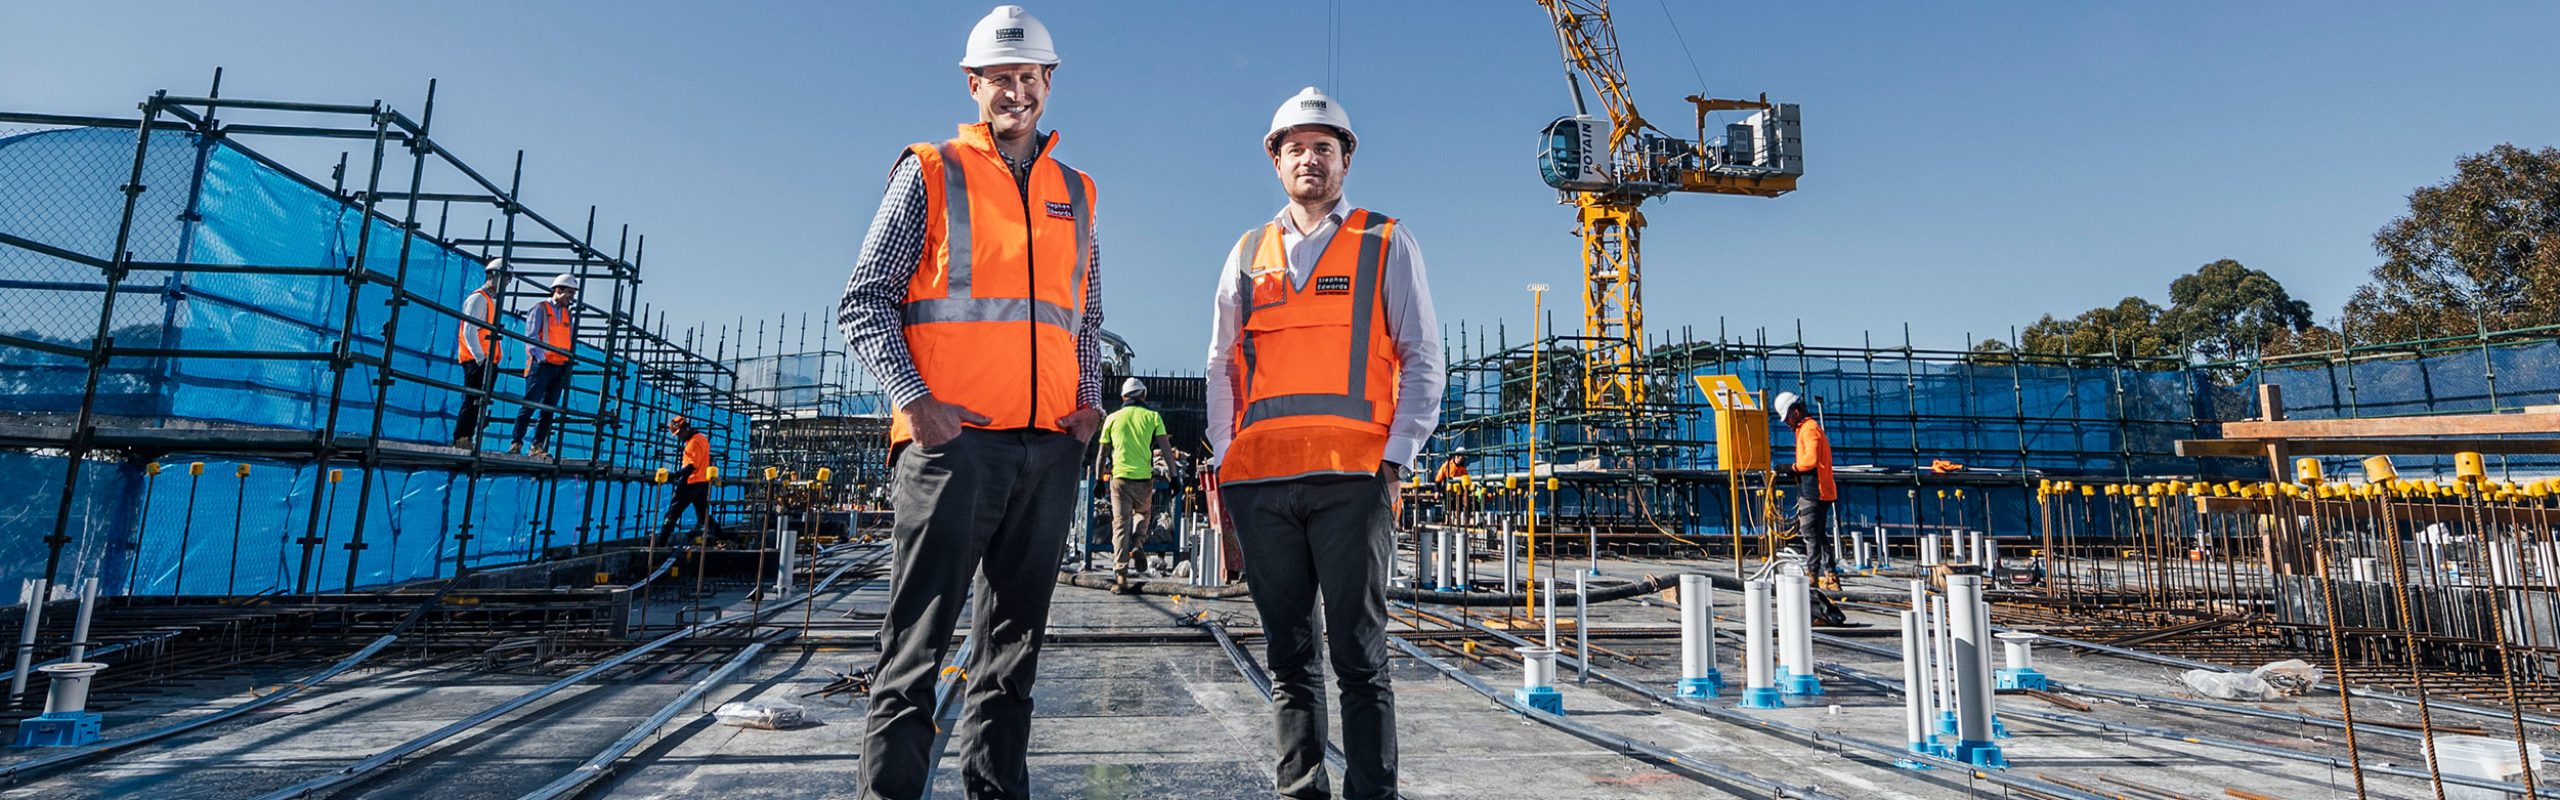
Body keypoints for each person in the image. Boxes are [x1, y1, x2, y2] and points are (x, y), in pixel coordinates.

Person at [832, 7, 1104, 799]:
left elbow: (1086, 318)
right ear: (973, 83)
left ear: (1048, 83)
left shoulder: (1078, 193)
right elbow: (864, 299)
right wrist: (917, 402)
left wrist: (1086, 408)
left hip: (1046, 452)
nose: (1016, 91)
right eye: (1001, 77)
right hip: (952, 450)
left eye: (1030, 77)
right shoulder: (931, 170)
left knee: (1013, 655)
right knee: (915, 650)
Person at [1205, 86, 1444, 800]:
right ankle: (1299, 789)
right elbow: (1221, 363)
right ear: (1276, 161)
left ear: (1346, 160)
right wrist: (1227, 456)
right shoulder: (1248, 253)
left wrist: (1396, 458)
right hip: (1263, 485)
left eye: (1324, 147)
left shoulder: (1385, 240)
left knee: (1361, 659)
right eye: (1296, 147)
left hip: (1352, 480)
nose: (1310, 158)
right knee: (1290, 659)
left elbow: (1422, 355)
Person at [1094, 376, 1177, 590]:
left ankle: (1120, 576)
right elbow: (1166, 448)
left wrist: (1097, 479)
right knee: (1143, 513)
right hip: (1143, 479)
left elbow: (1102, 452)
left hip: (1119, 479)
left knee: (1120, 525)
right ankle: (1138, 544)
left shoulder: (1112, 418)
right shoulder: (1153, 417)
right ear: (1143, 395)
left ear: (1123, 396)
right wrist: (1175, 476)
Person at [1775, 390, 1839, 590]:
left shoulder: (1809, 429)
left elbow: (1810, 460)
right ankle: (1831, 575)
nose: (1787, 423)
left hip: (1815, 491)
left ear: (1795, 412)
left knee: (1810, 532)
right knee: (1818, 534)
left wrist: (1792, 468)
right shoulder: (1806, 428)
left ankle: (1813, 575)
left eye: (1787, 417)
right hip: (1816, 489)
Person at [509, 273, 578, 457]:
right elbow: (531, 337)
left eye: (573, 293)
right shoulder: (540, 308)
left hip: (559, 366)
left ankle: (537, 446)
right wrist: (542, 357)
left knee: (549, 409)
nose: (571, 297)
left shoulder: (567, 314)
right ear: (558, 290)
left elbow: (568, 339)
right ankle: (516, 443)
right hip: (541, 365)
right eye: (569, 292)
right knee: (529, 405)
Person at [452, 257, 508, 448]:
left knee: (479, 401)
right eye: (505, 277)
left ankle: (467, 438)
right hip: (477, 360)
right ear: (493, 275)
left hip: (486, 360)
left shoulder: (490, 301)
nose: (507, 283)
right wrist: (480, 357)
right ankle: (462, 438)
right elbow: (469, 330)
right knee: (473, 399)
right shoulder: (478, 298)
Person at [658, 416, 720, 542]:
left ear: (686, 428)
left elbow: (692, 465)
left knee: (673, 512)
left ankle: (660, 543)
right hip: (702, 482)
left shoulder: (693, 443)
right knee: (703, 515)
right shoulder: (702, 439)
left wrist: (676, 475)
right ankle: (721, 537)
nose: (680, 436)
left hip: (691, 482)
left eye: (680, 433)